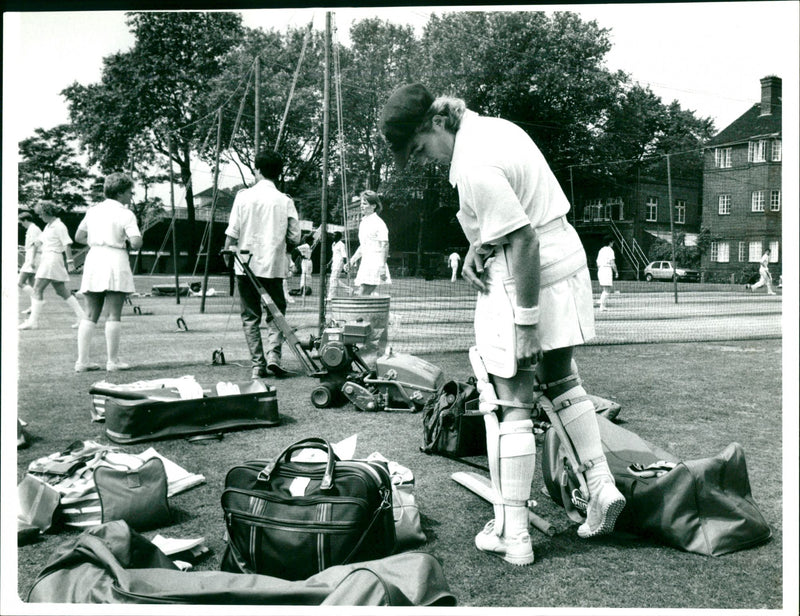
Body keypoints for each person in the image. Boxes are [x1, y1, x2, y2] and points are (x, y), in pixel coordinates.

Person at [380, 83, 625, 566]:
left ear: (433, 124)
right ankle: (599, 486)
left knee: (510, 403)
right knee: (563, 380)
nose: (424, 159)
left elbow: (525, 241)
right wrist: (479, 245)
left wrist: (528, 323)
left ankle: (514, 534)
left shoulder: (473, 164)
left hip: (525, 280)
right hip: (566, 264)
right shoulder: (495, 129)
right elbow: (524, 213)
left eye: (419, 148)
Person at [224, 150, 301, 379]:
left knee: (250, 316)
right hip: (274, 266)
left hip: (246, 265)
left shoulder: (243, 196)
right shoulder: (285, 200)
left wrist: (227, 253)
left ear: (257, 170)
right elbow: (295, 236)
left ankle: (258, 364)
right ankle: (274, 356)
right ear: (278, 173)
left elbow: (233, 231)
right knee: (276, 313)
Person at [74, 173, 143, 372]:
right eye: (130, 192)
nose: (131, 195)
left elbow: (79, 236)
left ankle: (82, 361)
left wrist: (98, 240)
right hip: (115, 259)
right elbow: (136, 242)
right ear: (120, 192)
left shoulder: (93, 210)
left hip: (94, 258)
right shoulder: (126, 213)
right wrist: (126, 240)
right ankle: (112, 362)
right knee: (114, 313)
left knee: (89, 313)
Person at [19, 200, 87, 331]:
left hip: (52, 259)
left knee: (37, 289)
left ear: (47, 213)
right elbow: (39, 242)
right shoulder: (48, 226)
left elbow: (67, 243)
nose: (39, 216)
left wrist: (70, 262)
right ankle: (83, 317)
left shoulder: (59, 226)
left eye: (41, 214)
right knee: (61, 290)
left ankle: (32, 322)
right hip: (48, 259)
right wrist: (33, 252)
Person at [349, 190, 389, 296]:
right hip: (366, 262)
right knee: (362, 295)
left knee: (362, 294)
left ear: (373, 206)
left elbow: (385, 245)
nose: (362, 206)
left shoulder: (379, 223)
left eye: (365, 203)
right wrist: (352, 260)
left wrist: (382, 267)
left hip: (375, 263)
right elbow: (363, 246)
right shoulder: (364, 222)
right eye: (361, 203)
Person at [18, 210, 42, 316]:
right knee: (32, 284)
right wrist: (21, 247)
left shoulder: (33, 229)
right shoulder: (33, 229)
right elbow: (31, 246)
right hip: (33, 257)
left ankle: (39, 302)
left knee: (20, 282)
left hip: (33, 258)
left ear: (26, 220)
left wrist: (32, 260)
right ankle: (34, 306)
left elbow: (36, 245)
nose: (21, 225)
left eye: (21, 222)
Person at [596, 236, 618, 311]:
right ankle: (602, 305)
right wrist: (616, 272)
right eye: (612, 242)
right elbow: (612, 263)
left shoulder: (601, 250)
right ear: (610, 242)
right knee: (607, 290)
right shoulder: (610, 250)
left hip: (600, 270)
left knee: (605, 289)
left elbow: (597, 263)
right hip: (606, 269)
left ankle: (602, 303)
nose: (613, 243)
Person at [327, 231, 350, 299]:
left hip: (339, 263)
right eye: (332, 235)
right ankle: (349, 289)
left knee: (333, 279)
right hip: (334, 263)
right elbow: (334, 255)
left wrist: (346, 266)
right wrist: (329, 263)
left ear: (338, 237)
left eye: (334, 235)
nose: (332, 236)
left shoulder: (341, 244)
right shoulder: (333, 244)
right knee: (334, 279)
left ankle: (331, 296)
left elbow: (344, 256)